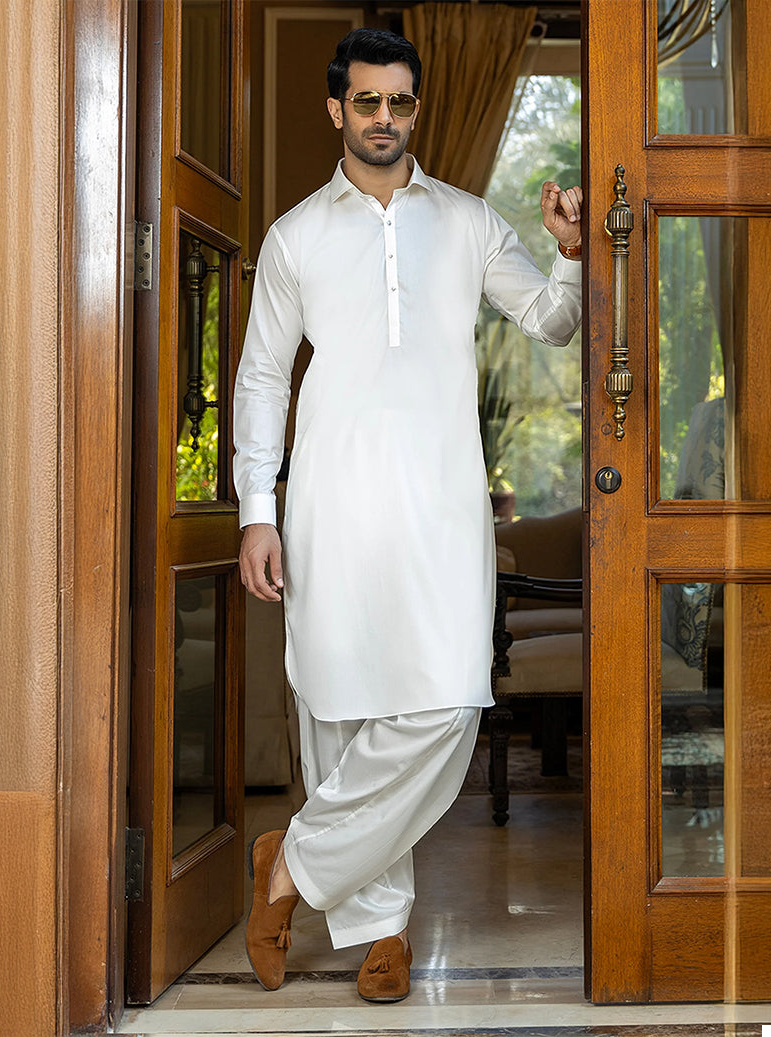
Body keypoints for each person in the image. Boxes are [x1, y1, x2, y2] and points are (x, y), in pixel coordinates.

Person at [233, 27, 582, 1003]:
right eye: (367, 101)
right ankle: (379, 930)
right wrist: (258, 509)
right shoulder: (295, 236)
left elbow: (552, 321)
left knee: (446, 702)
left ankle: (290, 862)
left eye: (400, 101)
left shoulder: (467, 221)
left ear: (415, 110)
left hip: (441, 508)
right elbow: (262, 376)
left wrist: (570, 253)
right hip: (330, 504)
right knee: (340, 706)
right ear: (336, 109)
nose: (384, 117)